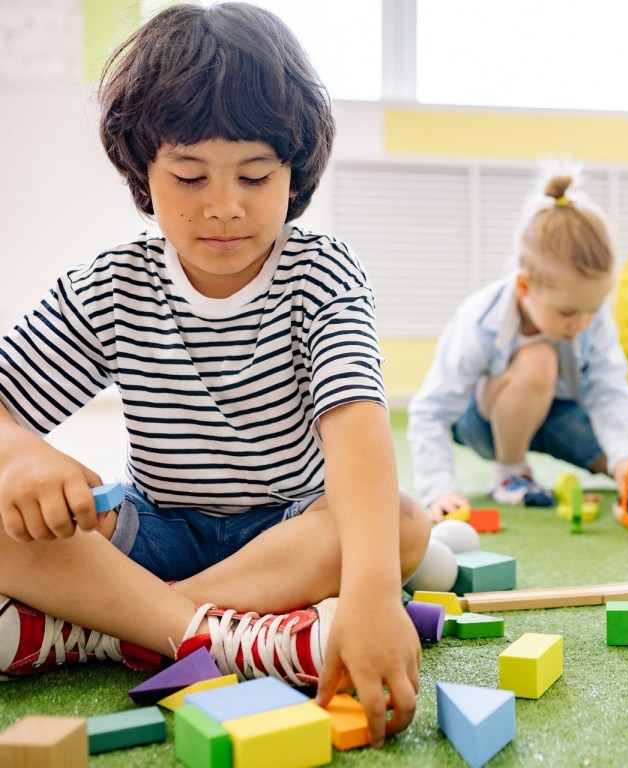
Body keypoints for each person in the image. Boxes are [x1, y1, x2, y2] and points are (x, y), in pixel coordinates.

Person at [0, 2, 429, 748]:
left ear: (293, 172)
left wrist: (371, 594)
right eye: (190, 176)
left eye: (255, 176)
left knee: (397, 524)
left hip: (286, 535)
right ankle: (216, 634)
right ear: (143, 169)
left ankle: (107, 629)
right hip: (152, 528)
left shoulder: (322, 274)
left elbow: (357, 428)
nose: (224, 207)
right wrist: (20, 454)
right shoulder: (112, 285)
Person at [407, 173, 628, 521]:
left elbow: (609, 391)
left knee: (619, 462)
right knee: (539, 360)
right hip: (485, 423)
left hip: (555, 415)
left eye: (593, 309)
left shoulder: (589, 319)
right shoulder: (481, 321)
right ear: (524, 287)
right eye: (568, 312)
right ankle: (510, 472)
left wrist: (625, 456)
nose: (583, 323)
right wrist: (439, 488)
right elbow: (431, 410)